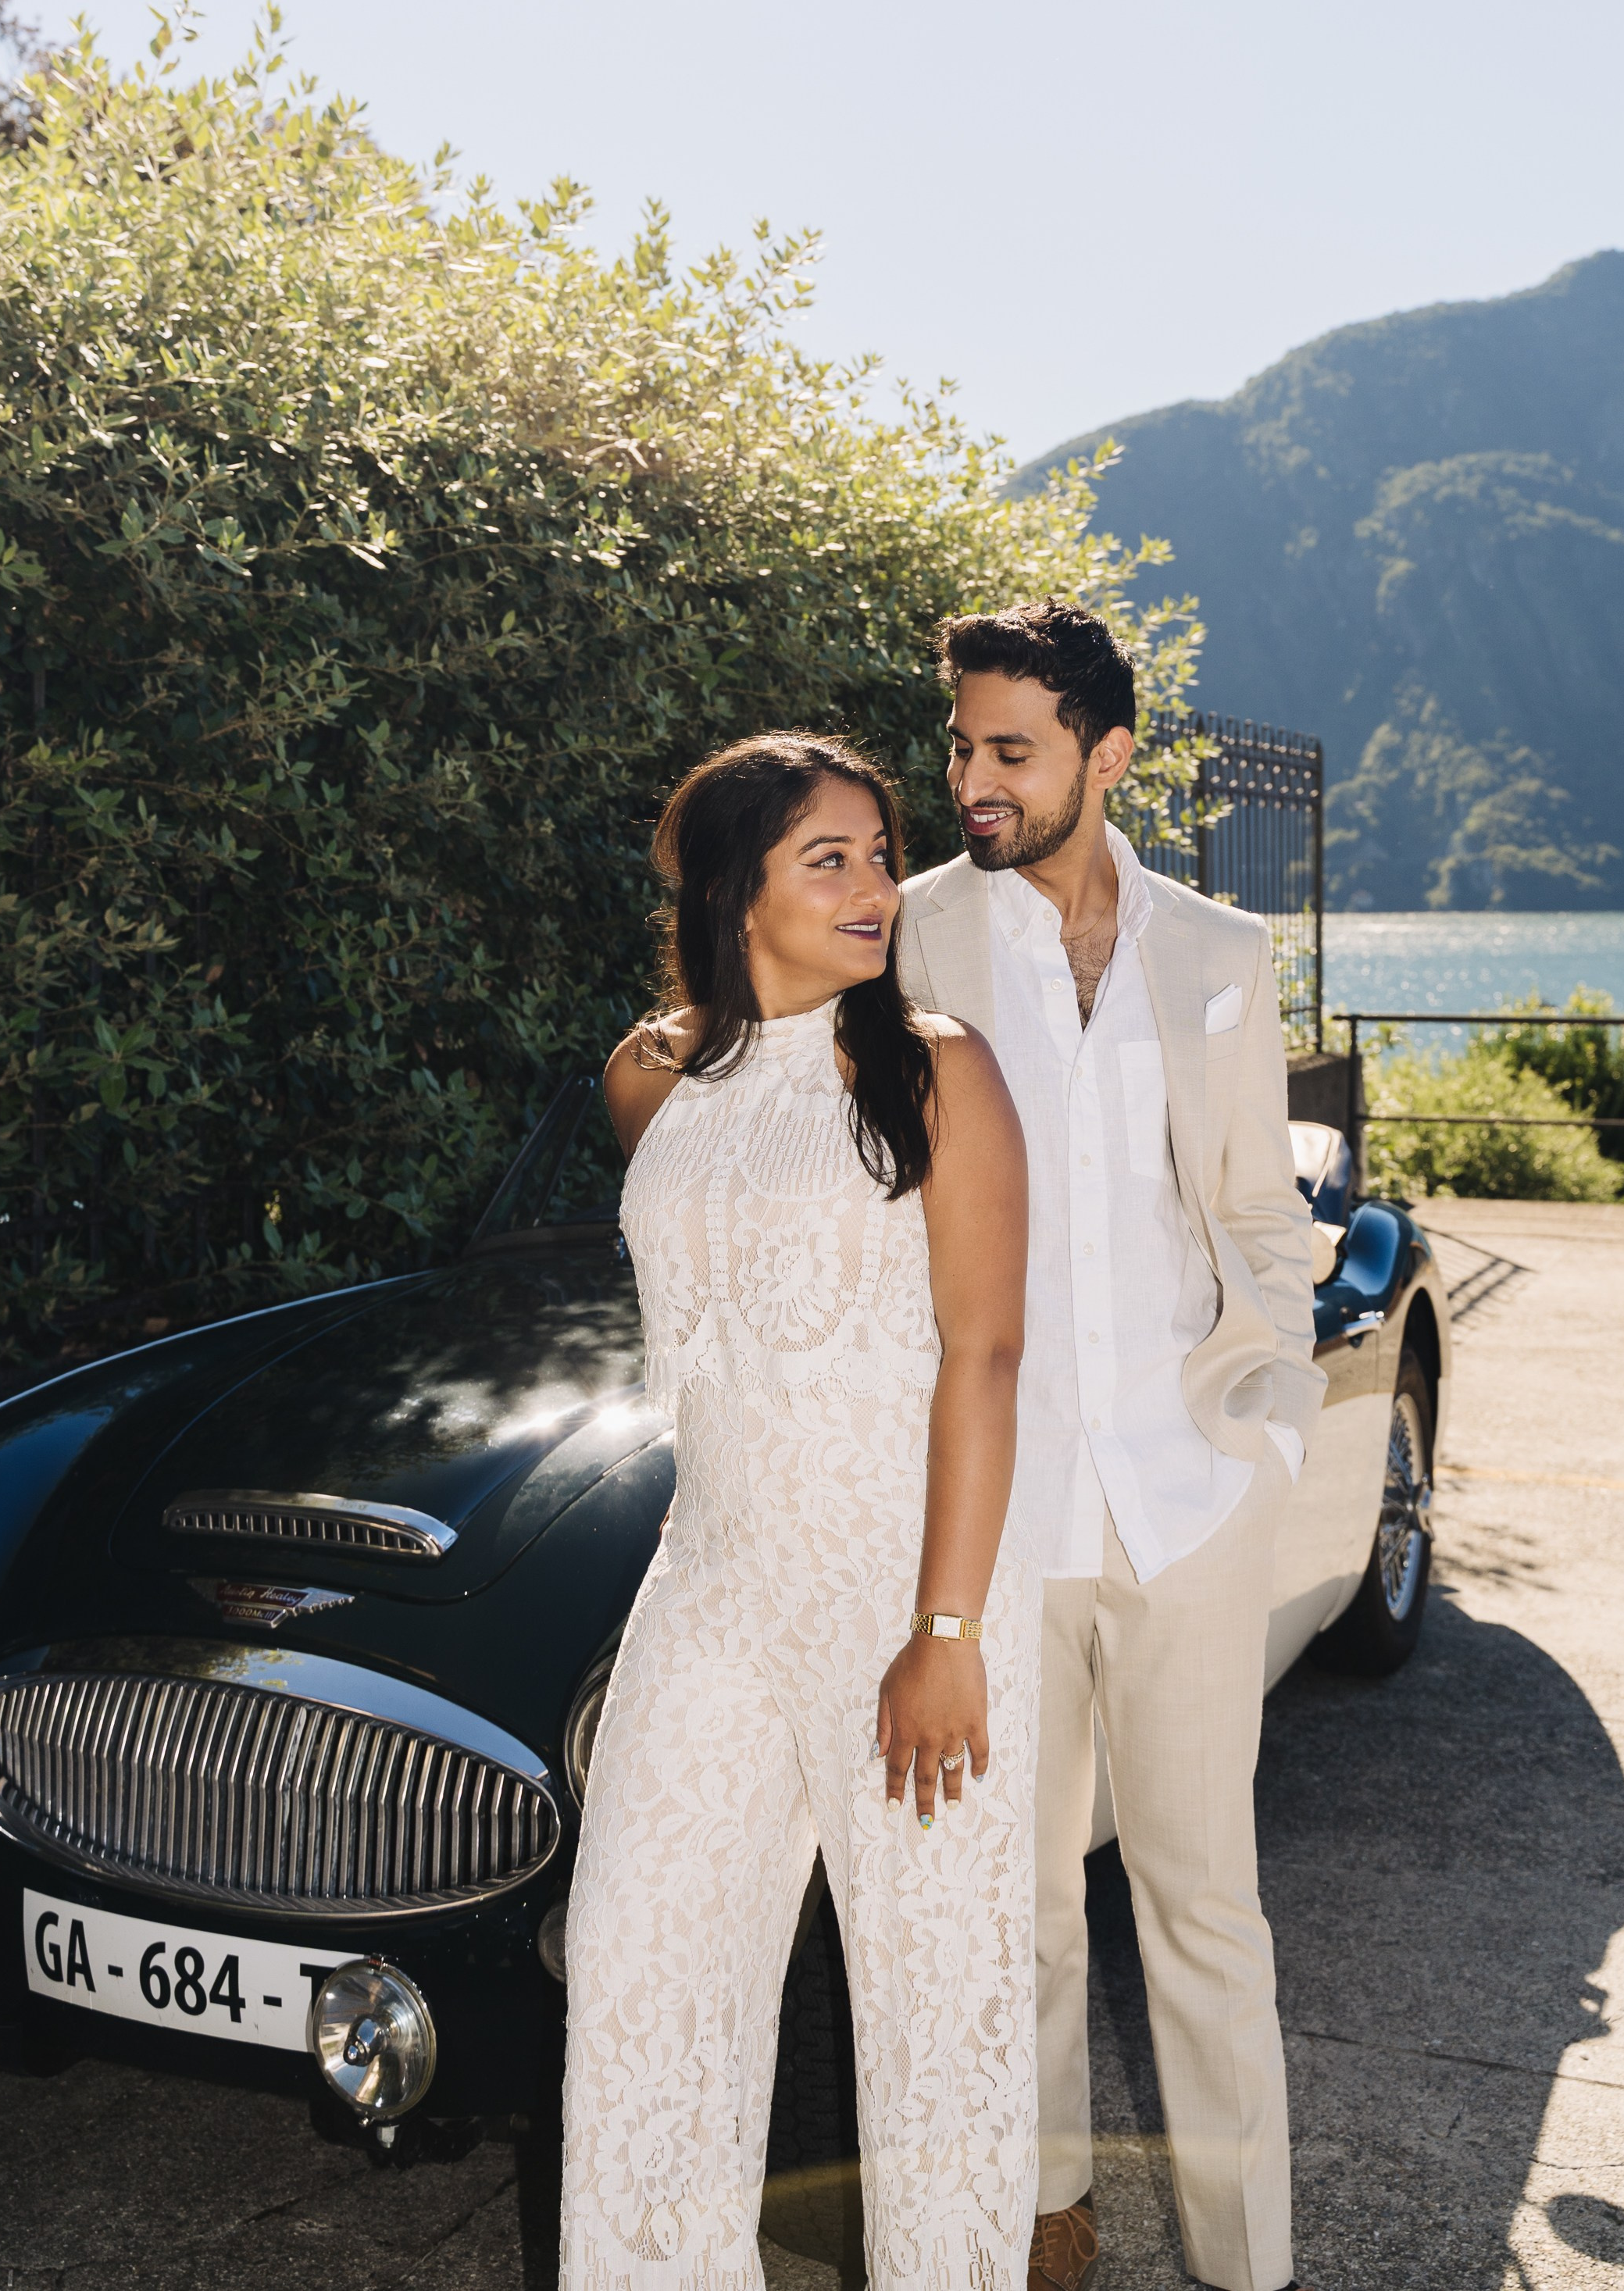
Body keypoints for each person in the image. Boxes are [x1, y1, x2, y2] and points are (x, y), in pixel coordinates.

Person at [560, 730, 1041, 2291]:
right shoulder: (650, 1075)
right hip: (704, 1586)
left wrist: (944, 1628)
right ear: (727, 890)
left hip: (912, 1594)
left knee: (929, 2013)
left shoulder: (931, 1063)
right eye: (825, 860)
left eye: (879, 855)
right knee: (642, 1980)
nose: (873, 888)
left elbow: (983, 1354)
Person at [894, 605, 1322, 2291]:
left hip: (1181, 1501)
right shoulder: (913, 934)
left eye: (1009, 750)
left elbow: (1257, 1223)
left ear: (1104, 754)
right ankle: (1040, 2213)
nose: (972, 780)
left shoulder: (1215, 952)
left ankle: (1244, 2264)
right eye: (957, 746)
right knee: (1005, 1913)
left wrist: (1263, 1436)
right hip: (996, 1514)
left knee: (1203, 1912)